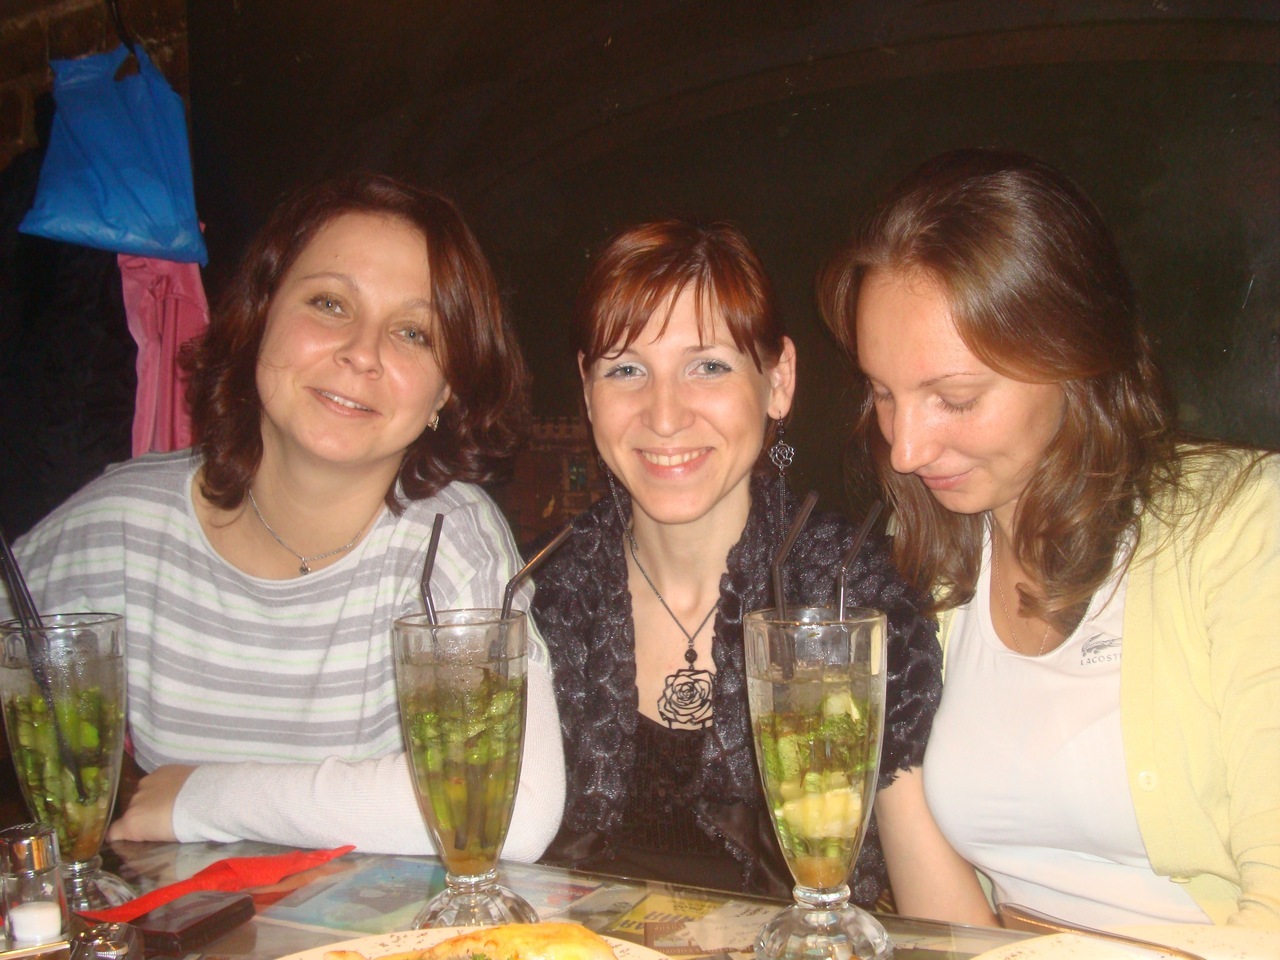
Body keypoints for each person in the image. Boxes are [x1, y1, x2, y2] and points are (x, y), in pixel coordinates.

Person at [7, 173, 565, 858]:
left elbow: (513, 807)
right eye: (330, 303)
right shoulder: (124, 525)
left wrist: (201, 798)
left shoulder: (449, 543)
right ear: (262, 313)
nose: (362, 352)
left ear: (446, 391)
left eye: (413, 332)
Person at [820, 148, 1279, 928]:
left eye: (955, 397)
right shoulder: (923, 564)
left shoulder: (1241, 526)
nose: (905, 449)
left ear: (1076, 357)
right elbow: (952, 931)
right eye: (884, 393)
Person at [530, 219, 994, 919]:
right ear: (588, 393)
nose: (664, 415)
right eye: (625, 369)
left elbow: (936, 904)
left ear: (778, 381)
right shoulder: (549, 598)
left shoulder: (850, 600)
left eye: (708, 366)